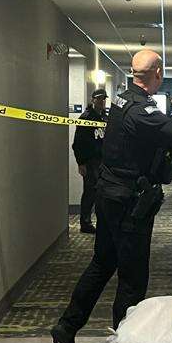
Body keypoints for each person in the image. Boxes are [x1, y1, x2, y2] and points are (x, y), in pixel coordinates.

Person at [51, 50, 172, 343]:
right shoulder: (143, 110)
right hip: (128, 202)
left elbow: (154, 136)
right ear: (158, 73)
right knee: (133, 277)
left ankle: (66, 327)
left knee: (102, 263)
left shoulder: (121, 100)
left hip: (108, 194)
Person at [72, 88, 108, 234]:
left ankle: (101, 221)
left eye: (103, 99)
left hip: (103, 161)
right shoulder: (86, 118)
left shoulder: (104, 117)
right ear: (93, 100)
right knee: (90, 192)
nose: (101, 101)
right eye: (99, 99)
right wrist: (81, 163)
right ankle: (85, 223)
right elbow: (77, 143)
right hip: (91, 161)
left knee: (102, 192)